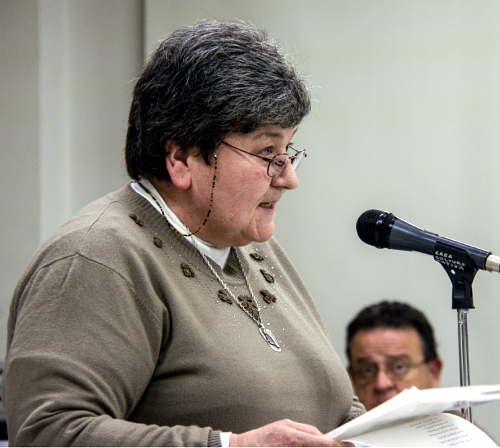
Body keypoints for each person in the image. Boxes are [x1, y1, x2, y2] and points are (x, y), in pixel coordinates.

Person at [2, 20, 365, 446]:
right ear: (181, 157)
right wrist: (229, 446)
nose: (287, 178)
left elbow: (334, 407)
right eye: (267, 152)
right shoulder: (97, 257)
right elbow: (48, 432)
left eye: (289, 152)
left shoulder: (252, 250)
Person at [345, 300, 443, 411]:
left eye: (399, 367)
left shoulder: (465, 424)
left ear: (434, 371)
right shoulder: (331, 428)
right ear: (352, 379)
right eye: (368, 370)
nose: (382, 384)